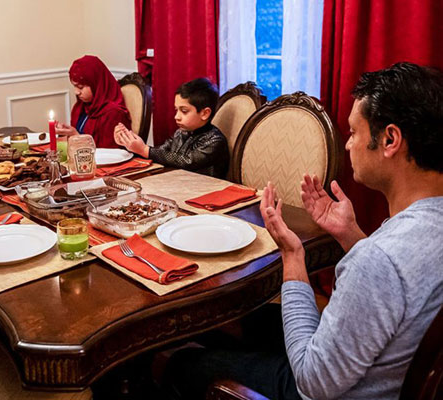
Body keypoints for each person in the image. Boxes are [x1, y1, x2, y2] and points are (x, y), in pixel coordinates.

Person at [164, 62, 443, 399]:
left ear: (390, 139)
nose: (348, 145)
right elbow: (396, 287)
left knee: (183, 362)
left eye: (353, 133)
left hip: (327, 388)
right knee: (247, 322)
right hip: (379, 369)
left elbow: (312, 381)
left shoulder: (379, 259)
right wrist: (350, 235)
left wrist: (293, 255)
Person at [114, 78, 228, 178]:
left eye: (184, 111)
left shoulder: (215, 140)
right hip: (179, 183)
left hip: (205, 190)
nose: (176, 117)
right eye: (176, 110)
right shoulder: (180, 133)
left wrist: (145, 150)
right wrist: (130, 143)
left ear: (205, 113)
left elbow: (187, 161)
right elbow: (161, 152)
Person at [55, 55, 131, 148]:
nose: (76, 92)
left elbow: (109, 153)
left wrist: (76, 136)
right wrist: (66, 133)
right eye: (74, 86)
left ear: (96, 84)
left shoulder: (113, 113)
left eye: (80, 87)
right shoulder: (80, 106)